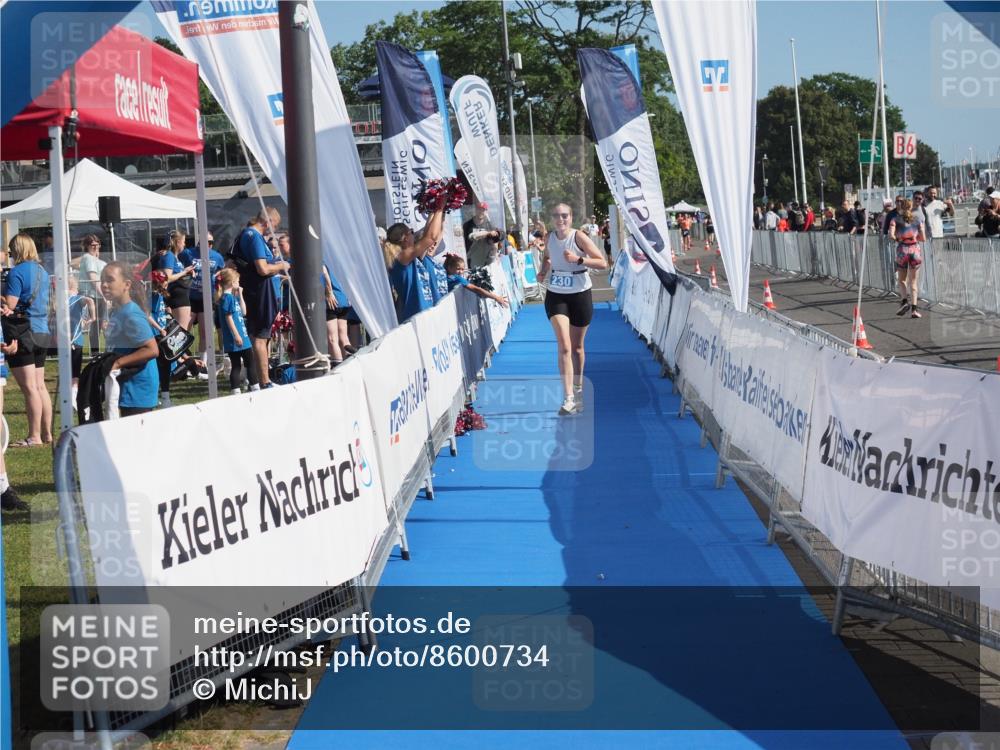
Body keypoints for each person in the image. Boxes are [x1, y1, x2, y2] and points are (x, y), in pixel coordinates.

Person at [536, 203, 607, 416]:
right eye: (557, 215)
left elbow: (602, 263)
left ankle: (577, 390)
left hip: (580, 293)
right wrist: (543, 271)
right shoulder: (549, 237)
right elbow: (548, 257)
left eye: (565, 215)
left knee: (577, 348)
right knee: (564, 346)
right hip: (556, 294)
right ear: (552, 218)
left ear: (571, 217)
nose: (561, 219)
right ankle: (567, 398)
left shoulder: (579, 237)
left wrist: (578, 259)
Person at [3, 234, 52, 447]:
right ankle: (47, 433)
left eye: (12, 249)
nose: (11, 253)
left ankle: (34, 436)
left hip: (24, 331)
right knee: (40, 386)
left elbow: (11, 305)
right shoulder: (42, 271)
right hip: (42, 329)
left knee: (29, 387)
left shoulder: (17, 272)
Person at [233, 207, 289, 389]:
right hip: (260, 291)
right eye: (274, 226)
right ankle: (264, 381)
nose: (273, 230)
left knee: (261, 335)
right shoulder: (254, 237)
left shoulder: (245, 235)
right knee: (261, 336)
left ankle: (259, 380)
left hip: (256, 290)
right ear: (268, 222)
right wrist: (282, 265)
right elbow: (262, 269)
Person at [100, 262, 159, 416]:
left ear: (126, 284)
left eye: (110, 280)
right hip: (125, 387)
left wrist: (117, 363)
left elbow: (152, 350)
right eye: (102, 281)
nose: (104, 285)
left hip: (137, 391)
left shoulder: (131, 314)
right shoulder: (118, 311)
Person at [386, 205, 446, 324]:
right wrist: (440, 206)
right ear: (405, 239)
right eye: (411, 232)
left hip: (424, 314)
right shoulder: (402, 257)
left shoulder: (411, 256)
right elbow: (430, 237)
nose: (414, 234)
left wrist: (434, 210)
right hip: (416, 317)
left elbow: (427, 236)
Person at [179, 231, 225, 367]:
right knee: (183, 331)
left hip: (207, 298)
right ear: (200, 242)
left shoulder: (217, 257)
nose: (209, 245)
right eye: (206, 242)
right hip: (190, 297)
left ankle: (203, 364)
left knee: (205, 332)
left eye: (211, 242)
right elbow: (177, 262)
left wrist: (218, 277)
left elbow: (222, 270)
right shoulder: (188, 253)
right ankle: (183, 362)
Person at [214, 268, 258, 394]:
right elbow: (228, 318)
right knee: (245, 363)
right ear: (232, 282)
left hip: (241, 335)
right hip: (238, 337)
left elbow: (244, 312)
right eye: (237, 281)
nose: (239, 283)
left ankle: (238, 390)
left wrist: (241, 295)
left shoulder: (233, 297)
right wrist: (237, 335)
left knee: (242, 363)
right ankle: (254, 388)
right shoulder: (227, 298)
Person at [888, 198, 926, 319]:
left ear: (900, 207)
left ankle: (904, 302)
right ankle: (914, 310)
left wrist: (899, 239)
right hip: (915, 250)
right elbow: (923, 238)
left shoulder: (895, 220)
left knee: (902, 280)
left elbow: (891, 235)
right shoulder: (918, 219)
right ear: (911, 207)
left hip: (902, 251)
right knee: (914, 282)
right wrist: (914, 239)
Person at [154, 230, 195, 331]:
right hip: (178, 297)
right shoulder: (169, 256)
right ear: (177, 242)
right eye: (184, 241)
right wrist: (184, 272)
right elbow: (167, 278)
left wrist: (188, 274)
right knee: (181, 333)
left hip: (179, 295)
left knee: (179, 332)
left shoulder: (174, 257)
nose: (185, 244)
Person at [67, 276, 95, 410]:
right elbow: (89, 300)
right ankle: (73, 398)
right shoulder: (77, 299)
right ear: (75, 288)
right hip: (75, 340)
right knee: (75, 372)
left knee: (67, 370)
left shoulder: (59, 300)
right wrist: (93, 317)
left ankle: (69, 398)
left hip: (63, 340)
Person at [77, 234, 107, 353]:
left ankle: (103, 352)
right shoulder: (88, 258)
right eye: (92, 244)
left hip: (99, 295)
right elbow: (93, 278)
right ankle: (95, 353)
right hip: (91, 295)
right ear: (87, 246)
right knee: (95, 327)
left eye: (97, 244)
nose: (95, 246)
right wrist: (104, 295)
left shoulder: (96, 259)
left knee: (101, 325)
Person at [443, 254, 509, 306]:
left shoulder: (443, 273)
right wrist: (496, 297)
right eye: (458, 269)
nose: (460, 272)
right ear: (449, 267)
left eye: (462, 269)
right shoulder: (458, 278)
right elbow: (476, 289)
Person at [322, 263, 353, 367]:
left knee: (332, 339)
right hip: (343, 300)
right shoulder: (336, 259)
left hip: (332, 302)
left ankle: (338, 368)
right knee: (344, 338)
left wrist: (329, 292)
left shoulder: (321, 258)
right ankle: (352, 363)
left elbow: (324, 272)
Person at [463, 202, 502, 268]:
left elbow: (495, 242)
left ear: (486, 211)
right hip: (471, 258)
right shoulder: (467, 225)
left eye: (483, 210)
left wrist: (494, 255)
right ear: (475, 210)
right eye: (479, 209)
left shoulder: (490, 225)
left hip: (485, 258)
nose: (481, 211)